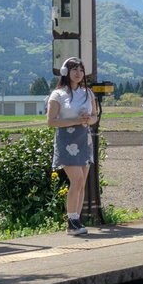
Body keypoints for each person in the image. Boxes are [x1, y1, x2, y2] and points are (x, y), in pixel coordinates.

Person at [46, 56, 96, 235]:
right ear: (66, 72)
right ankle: (70, 221)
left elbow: (95, 116)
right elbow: (51, 122)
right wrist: (75, 120)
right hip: (67, 141)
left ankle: (76, 219)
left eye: (81, 70)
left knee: (82, 183)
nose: (78, 73)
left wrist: (89, 119)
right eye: (74, 69)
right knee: (77, 180)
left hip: (85, 138)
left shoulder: (88, 93)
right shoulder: (58, 94)